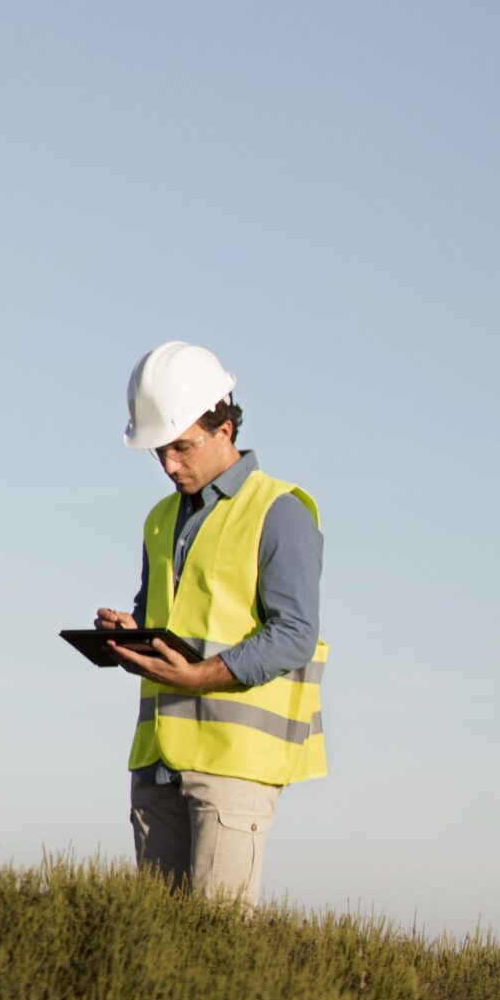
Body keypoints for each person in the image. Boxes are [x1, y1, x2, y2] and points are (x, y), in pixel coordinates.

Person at [93, 341, 325, 908]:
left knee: (217, 944)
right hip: (157, 761)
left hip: (234, 766)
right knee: (157, 946)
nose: (170, 465)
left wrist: (200, 676)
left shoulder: (281, 512)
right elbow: (168, 616)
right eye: (159, 453)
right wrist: (131, 635)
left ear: (224, 428)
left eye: (181, 447)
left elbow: (294, 632)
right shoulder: (160, 518)